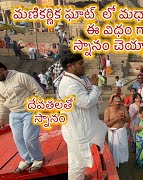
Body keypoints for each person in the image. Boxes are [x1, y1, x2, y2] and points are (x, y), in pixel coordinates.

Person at [58, 50, 108, 179]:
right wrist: (95, 87)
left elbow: (86, 92)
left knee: (78, 161)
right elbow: (87, 102)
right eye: (80, 63)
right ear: (70, 66)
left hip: (84, 125)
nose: (84, 65)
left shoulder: (77, 78)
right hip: (77, 131)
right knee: (77, 163)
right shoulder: (69, 85)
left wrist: (91, 84)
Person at [0, 62, 45, 173]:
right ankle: (28, 159)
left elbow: (39, 92)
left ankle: (38, 158)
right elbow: (2, 101)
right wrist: (1, 118)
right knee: (18, 139)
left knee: (29, 137)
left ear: (1, 70)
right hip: (14, 114)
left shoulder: (21, 77)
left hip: (29, 111)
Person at [104, 95, 130, 168]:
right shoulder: (108, 110)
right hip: (113, 133)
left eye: (119, 101)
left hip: (121, 132)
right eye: (116, 101)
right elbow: (106, 124)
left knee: (123, 149)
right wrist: (116, 119)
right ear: (112, 102)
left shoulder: (123, 108)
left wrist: (122, 118)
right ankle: (114, 165)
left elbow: (128, 120)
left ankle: (123, 163)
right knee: (113, 150)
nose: (117, 103)